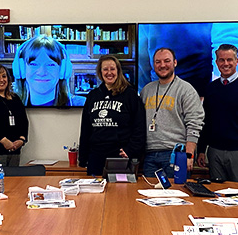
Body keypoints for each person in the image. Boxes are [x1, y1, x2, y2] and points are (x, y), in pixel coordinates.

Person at [140, 48, 205, 178]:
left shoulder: (186, 90)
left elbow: (195, 124)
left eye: (167, 61)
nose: (162, 65)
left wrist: (189, 155)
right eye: (158, 62)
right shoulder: (146, 90)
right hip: (149, 156)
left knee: (175, 196)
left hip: (175, 155)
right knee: (148, 195)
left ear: (175, 63)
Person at [78, 55, 146, 176]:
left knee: (120, 194)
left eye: (112, 69)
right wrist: (82, 158)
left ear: (118, 71)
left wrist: (130, 151)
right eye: (105, 69)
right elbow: (86, 129)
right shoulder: (93, 96)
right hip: (96, 157)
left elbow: (139, 127)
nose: (109, 73)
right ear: (100, 72)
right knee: (95, 194)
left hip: (120, 157)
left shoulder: (130, 94)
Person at [197, 44, 238, 182]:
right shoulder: (210, 88)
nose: (225, 64)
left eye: (229, 60)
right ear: (216, 62)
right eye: (221, 60)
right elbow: (206, 121)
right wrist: (201, 150)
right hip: (214, 152)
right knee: (217, 194)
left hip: (236, 152)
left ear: (236, 61)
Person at [12, 35, 86, 106]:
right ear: (21, 69)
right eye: (33, 64)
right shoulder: (11, 106)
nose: (42, 73)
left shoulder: (83, 104)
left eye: (50, 65)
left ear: (62, 70)